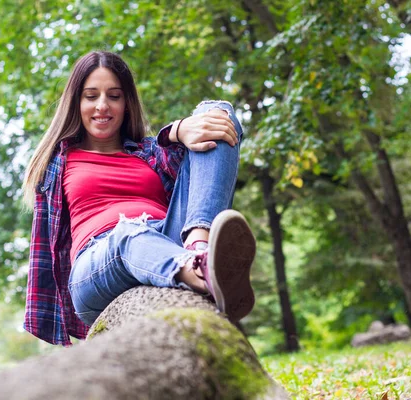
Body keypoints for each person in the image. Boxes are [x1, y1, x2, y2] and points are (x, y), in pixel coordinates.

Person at [22, 51, 256, 346]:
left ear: (126, 103)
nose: (103, 106)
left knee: (218, 112)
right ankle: (201, 271)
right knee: (128, 231)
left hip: (163, 241)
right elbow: (46, 249)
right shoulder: (58, 161)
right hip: (97, 265)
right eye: (91, 96)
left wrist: (178, 130)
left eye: (114, 96)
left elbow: (190, 165)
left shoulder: (148, 153)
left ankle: (200, 250)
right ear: (76, 102)